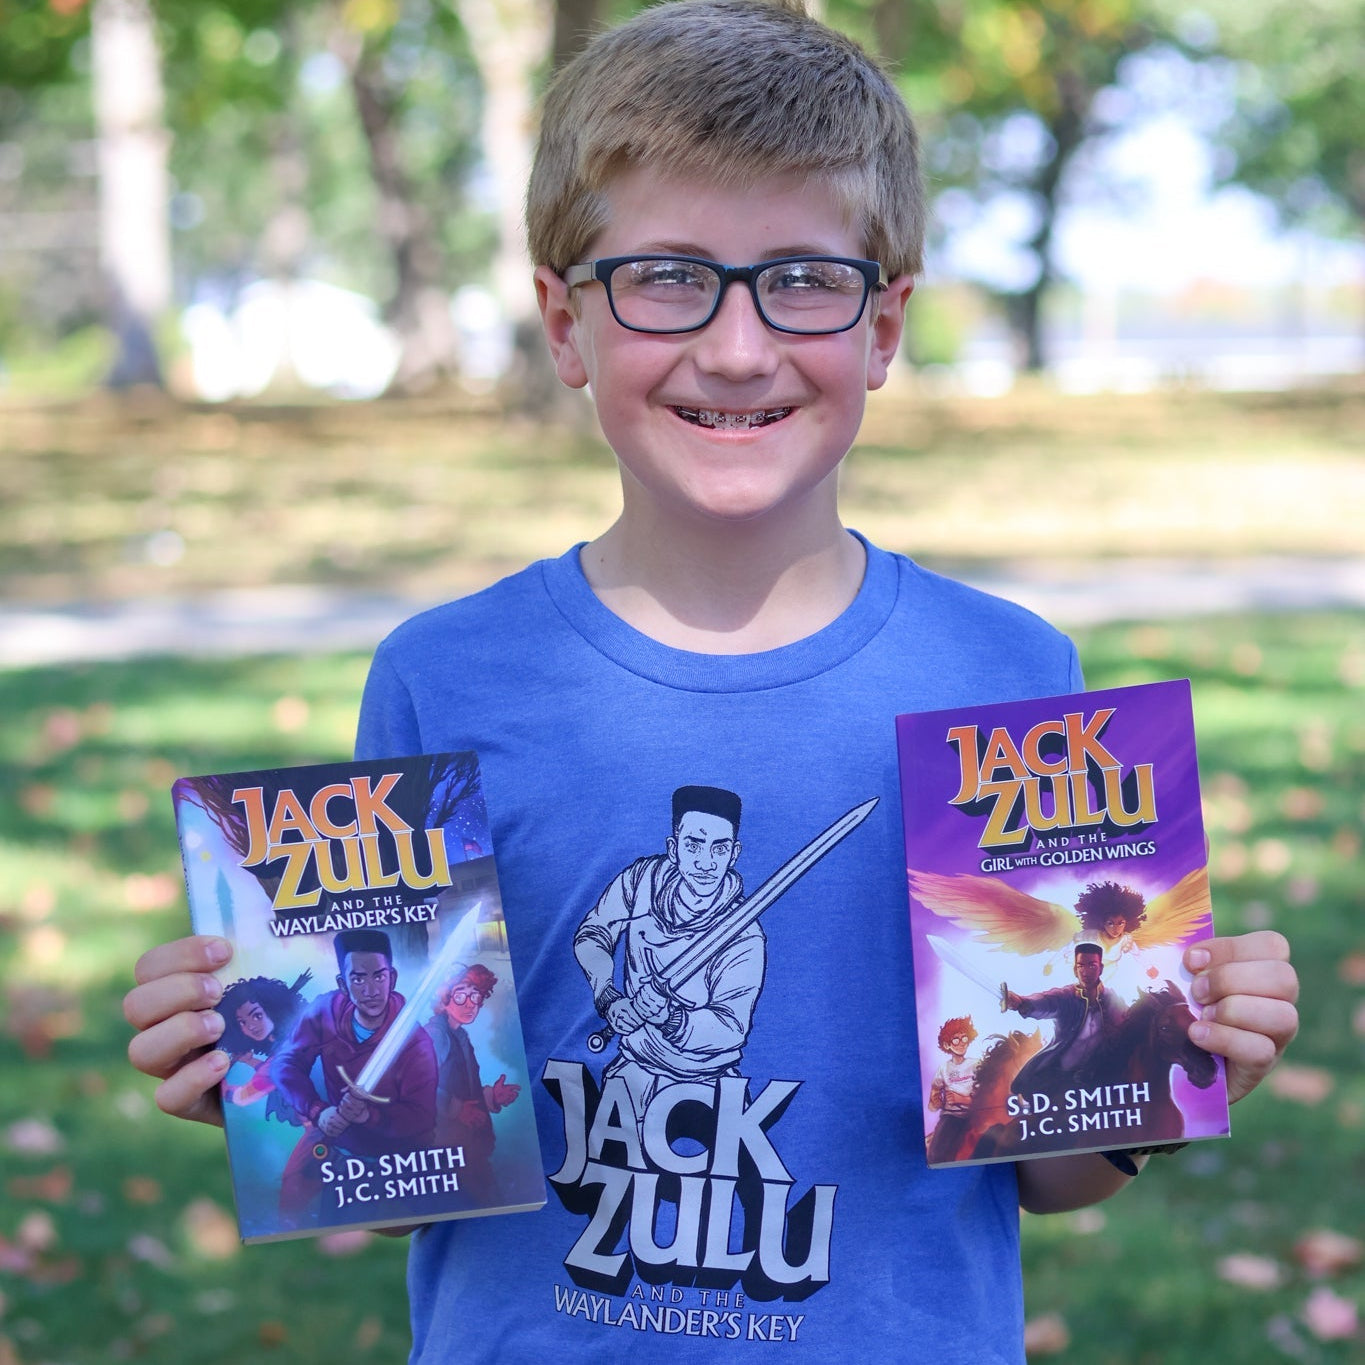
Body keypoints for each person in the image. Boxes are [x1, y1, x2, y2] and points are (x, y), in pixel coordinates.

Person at [122, 2, 1301, 1358]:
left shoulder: (1007, 677)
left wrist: (1151, 1068)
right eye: (667, 276)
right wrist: (267, 1079)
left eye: (802, 278)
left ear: (883, 325)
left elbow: (1046, 1171)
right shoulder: (443, 677)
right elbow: (418, 1175)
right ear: (566, 323)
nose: (737, 347)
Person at [573, 784, 763, 1123]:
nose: (706, 862)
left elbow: (731, 1027)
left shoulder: (744, 933)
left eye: (720, 849)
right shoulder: (640, 881)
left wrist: (670, 1018)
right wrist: (607, 995)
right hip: (634, 1071)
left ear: (734, 854)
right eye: (694, 845)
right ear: (673, 848)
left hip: (711, 1087)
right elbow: (593, 934)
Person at [271, 929, 438, 1214]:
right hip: (340, 1158)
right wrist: (318, 1110)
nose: (371, 991)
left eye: (379, 977)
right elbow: (286, 1063)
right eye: (358, 979)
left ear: (392, 978)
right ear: (343, 983)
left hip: (402, 1168)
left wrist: (368, 1115)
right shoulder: (325, 1011)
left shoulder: (415, 1042)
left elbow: (422, 1116)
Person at [428, 963, 521, 1200]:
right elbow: (418, 1087)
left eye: (475, 994)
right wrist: (454, 1109)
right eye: (460, 995)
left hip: (469, 1149)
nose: (470, 1003)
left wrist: (489, 1097)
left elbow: (458, 1086)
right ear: (444, 997)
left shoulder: (459, 1034)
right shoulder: (436, 1034)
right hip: (448, 1155)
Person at [1003, 943, 1127, 1101]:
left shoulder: (1112, 1000)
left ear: (1100, 968)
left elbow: (1129, 1026)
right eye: (1081, 966)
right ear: (1075, 970)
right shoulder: (1066, 997)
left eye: (1092, 965)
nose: (1085, 971)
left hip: (1097, 1078)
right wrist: (1022, 1003)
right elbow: (1046, 1002)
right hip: (1059, 1075)